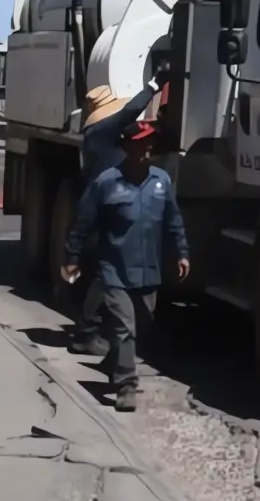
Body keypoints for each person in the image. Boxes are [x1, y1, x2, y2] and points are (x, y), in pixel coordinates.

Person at [62, 120, 189, 412]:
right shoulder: (106, 182)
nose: (147, 149)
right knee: (124, 328)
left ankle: (114, 362)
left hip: (148, 271)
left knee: (141, 326)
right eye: (140, 143)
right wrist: (72, 259)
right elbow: (82, 225)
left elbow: (174, 220)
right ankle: (125, 386)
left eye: (150, 143)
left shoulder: (161, 181)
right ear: (127, 147)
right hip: (114, 270)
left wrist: (182, 252)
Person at [69, 76, 162, 356]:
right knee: (103, 272)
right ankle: (86, 332)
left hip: (106, 206)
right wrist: (153, 87)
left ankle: (92, 329)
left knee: (105, 270)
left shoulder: (101, 135)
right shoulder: (100, 131)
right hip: (102, 208)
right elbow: (130, 112)